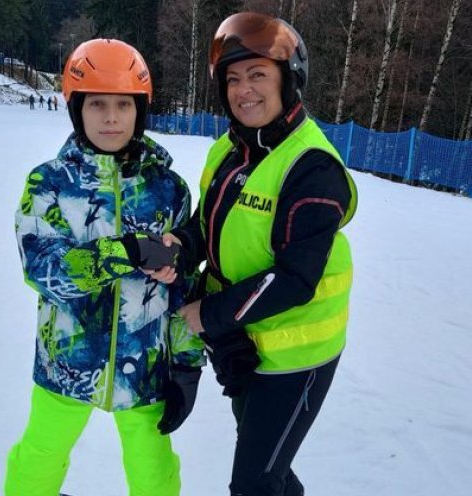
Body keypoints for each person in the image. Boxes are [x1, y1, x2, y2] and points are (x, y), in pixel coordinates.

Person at [153, 12, 358, 496]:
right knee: (270, 469)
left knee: (253, 482)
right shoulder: (229, 149)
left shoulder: (312, 167)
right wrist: (180, 246)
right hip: (244, 343)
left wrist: (212, 313)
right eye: (233, 78)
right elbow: (209, 224)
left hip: (296, 356)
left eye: (258, 75)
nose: (244, 90)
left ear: (289, 81)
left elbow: (295, 277)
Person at [5, 38, 204, 496]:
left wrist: (187, 367)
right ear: (77, 109)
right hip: (66, 363)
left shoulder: (168, 190)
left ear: (140, 111)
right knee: (41, 455)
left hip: (145, 364)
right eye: (97, 104)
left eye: (123, 105)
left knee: (152, 467)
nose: (111, 117)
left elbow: (184, 287)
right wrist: (125, 252)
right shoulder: (49, 183)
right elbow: (43, 270)